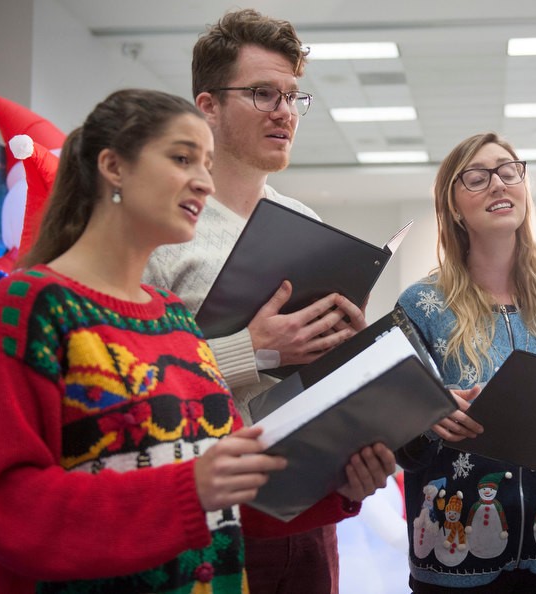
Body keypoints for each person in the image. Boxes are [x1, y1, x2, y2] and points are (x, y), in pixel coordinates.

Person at [0, 88, 282, 593]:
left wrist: (337, 482)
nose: (204, 183)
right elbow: (0, 505)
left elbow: (232, 486)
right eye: (182, 158)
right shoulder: (33, 307)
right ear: (114, 167)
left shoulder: (175, 319)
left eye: (207, 164)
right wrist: (187, 491)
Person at [142, 9, 394, 593]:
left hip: (309, 514)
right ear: (207, 106)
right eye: (262, 94)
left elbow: (314, 378)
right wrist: (248, 351)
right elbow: (138, 382)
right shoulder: (163, 229)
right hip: (205, 516)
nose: (284, 111)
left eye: (292, 96)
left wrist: (348, 356)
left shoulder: (305, 224)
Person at [395, 132, 536, 592]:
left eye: (508, 171)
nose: (499, 184)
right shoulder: (421, 305)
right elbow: (398, 441)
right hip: (453, 555)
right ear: (454, 207)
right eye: (477, 178)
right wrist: (430, 420)